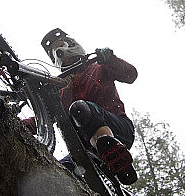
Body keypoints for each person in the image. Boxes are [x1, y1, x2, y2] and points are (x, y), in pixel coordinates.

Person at [41, 28, 138, 185]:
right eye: (54, 51)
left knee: (79, 108)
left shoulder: (98, 67)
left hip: (120, 130)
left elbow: (130, 75)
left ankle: (111, 148)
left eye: (60, 45)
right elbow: (42, 118)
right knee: (58, 172)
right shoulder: (61, 91)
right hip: (86, 150)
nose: (59, 51)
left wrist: (110, 60)